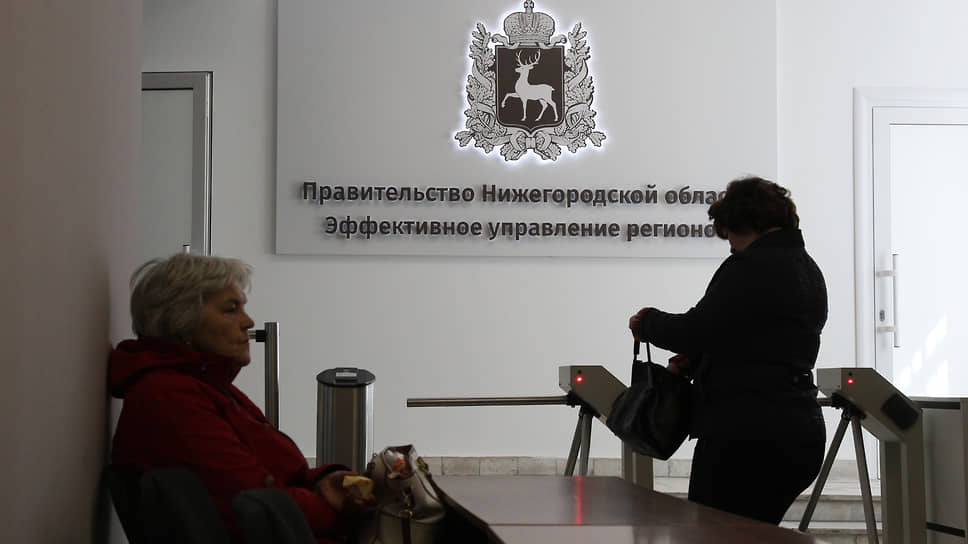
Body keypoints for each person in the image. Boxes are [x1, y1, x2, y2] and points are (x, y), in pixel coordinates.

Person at [110, 253, 367, 543]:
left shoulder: (204, 384)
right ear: (183, 321)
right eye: (231, 309)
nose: (248, 321)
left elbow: (274, 475)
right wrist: (344, 512)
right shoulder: (170, 398)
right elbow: (257, 507)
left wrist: (324, 481)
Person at [628, 176, 827, 525]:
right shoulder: (808, 270)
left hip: (746, 434)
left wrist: (648, 322)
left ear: (743, 222)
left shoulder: (751, 266)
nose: (730, 245)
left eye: (729, 234)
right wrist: (704, 360)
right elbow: (763, 339)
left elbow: (697, 330)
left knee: (715, 532)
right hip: (801, 427)